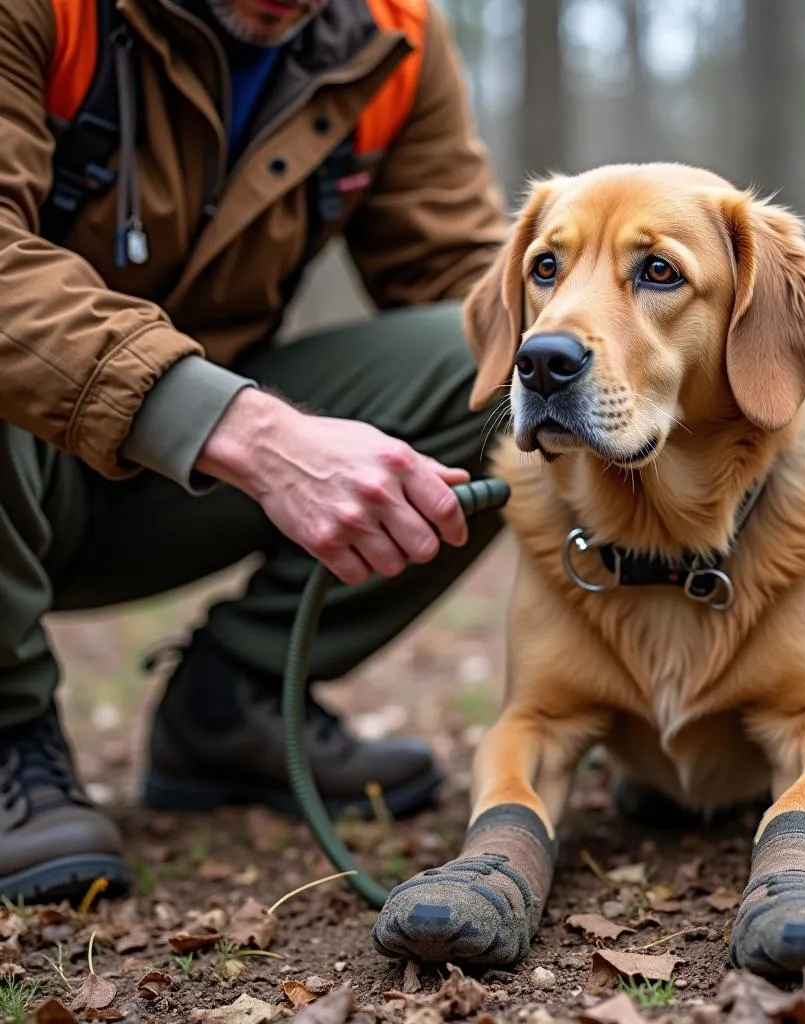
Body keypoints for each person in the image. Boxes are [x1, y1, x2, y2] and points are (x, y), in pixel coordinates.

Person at [0, 0, 509, 904]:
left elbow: (465, 285)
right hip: (36, 444)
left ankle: (235, 703)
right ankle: (8, 731)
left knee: (504, 372)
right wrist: (250, 432)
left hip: (160, 486)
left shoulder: (393, 35)